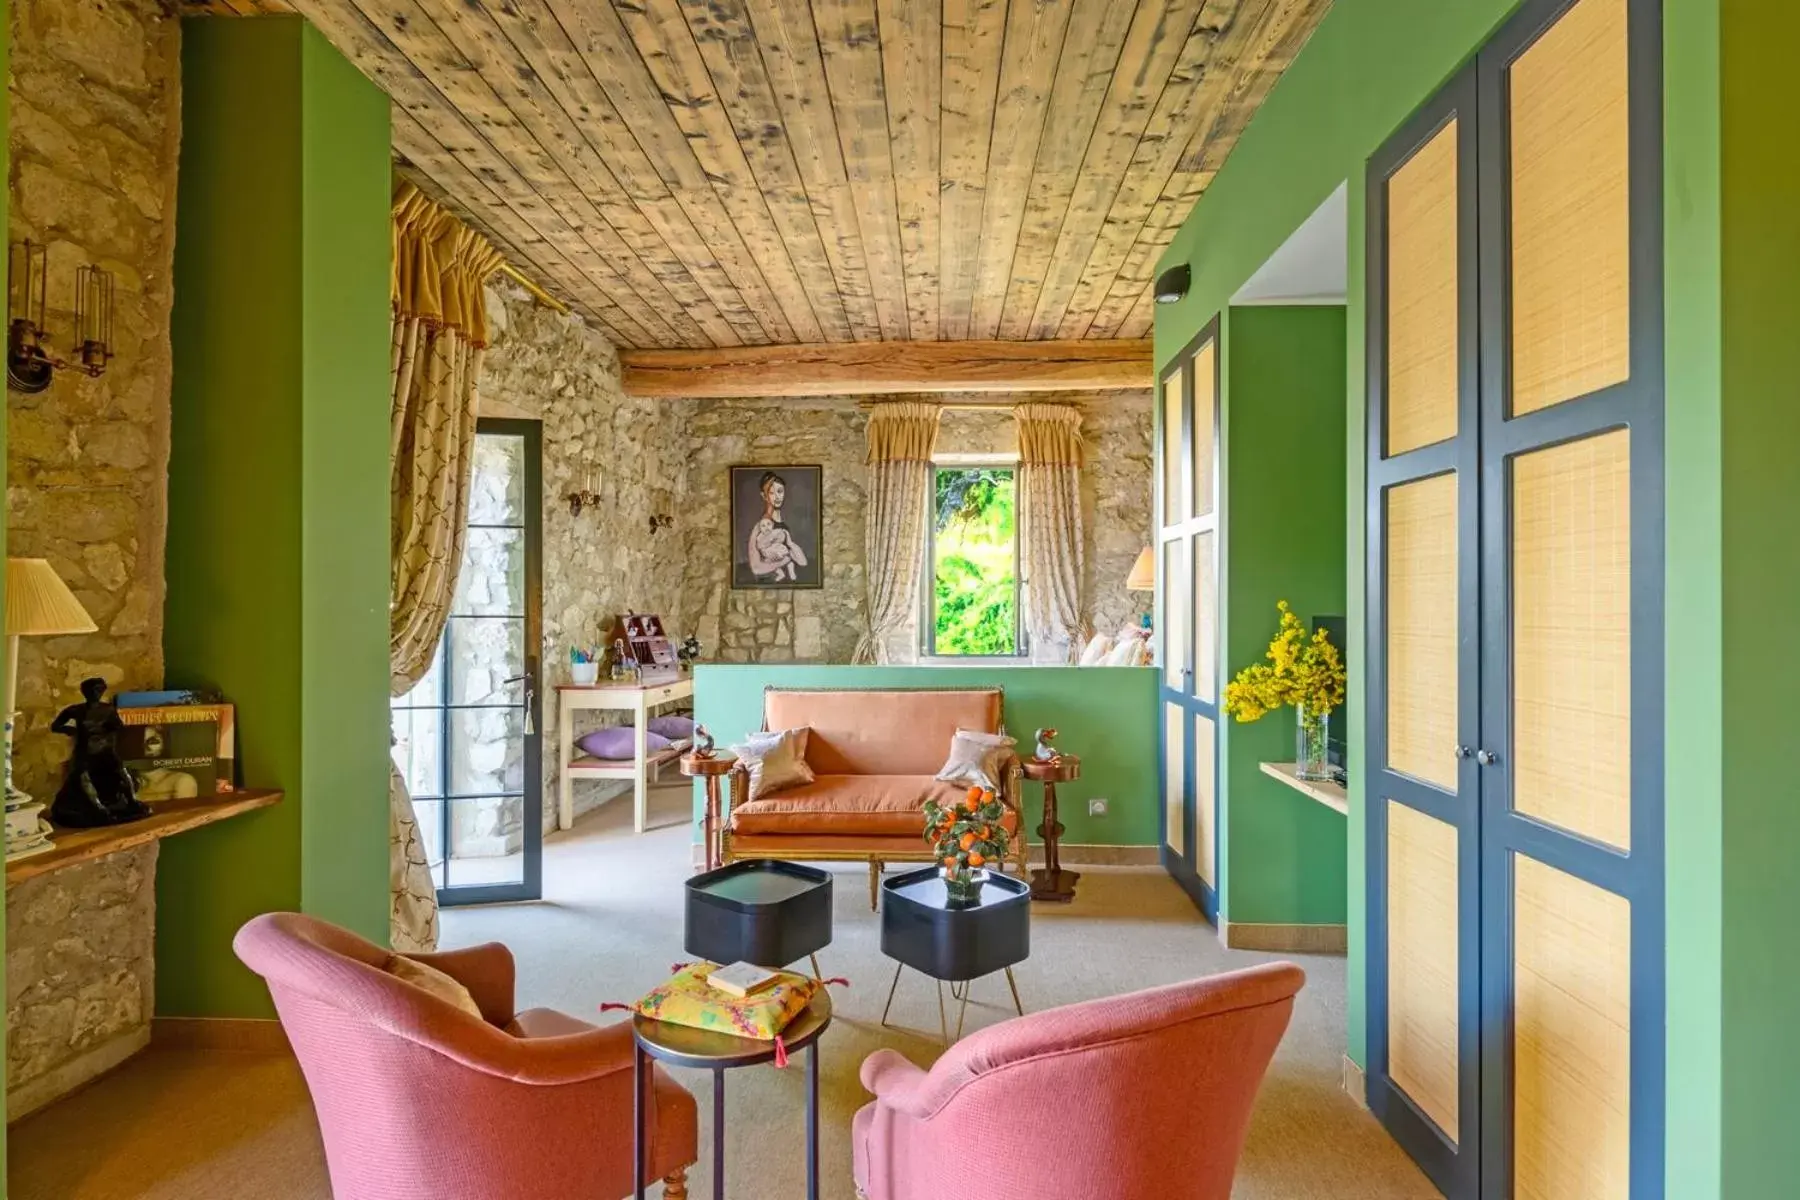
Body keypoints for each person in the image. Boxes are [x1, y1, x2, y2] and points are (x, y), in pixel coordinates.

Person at [746, 470, 808, 583]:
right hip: (765, 584)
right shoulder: (761, 527)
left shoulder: (786, 527)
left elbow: (803, 562)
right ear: (764, 496)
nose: (777, 497)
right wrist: (785, 560)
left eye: (780, 491)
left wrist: (790, 544)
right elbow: (756, 568)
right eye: (771, 493)